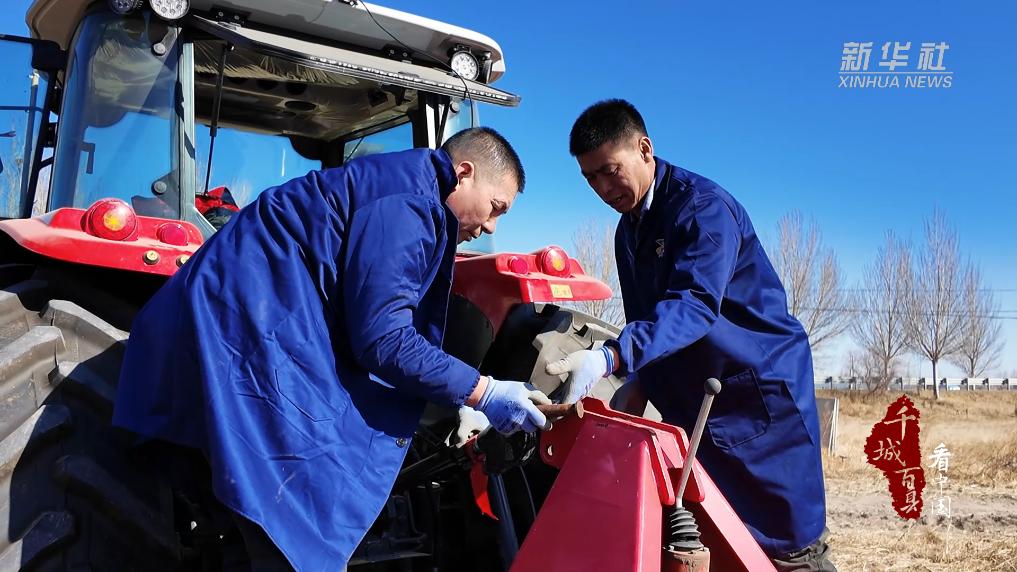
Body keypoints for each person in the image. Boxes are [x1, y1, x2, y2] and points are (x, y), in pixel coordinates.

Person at [113, 127, 550, 571]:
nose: (491, 226)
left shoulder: (403, 186)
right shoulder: (408, 202)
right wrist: (483, 391)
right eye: (496, 208)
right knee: (292, 523)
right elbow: (384, 338)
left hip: (246, 325)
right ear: (464, 173)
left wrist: (458, 393)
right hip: (240, 336)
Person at [547, 100, 835, 571]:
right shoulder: (628, 230)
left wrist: (611, 357)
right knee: (720, 537)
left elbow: (695, 304)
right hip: (696, 402)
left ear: (644, 149)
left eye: (610, 171)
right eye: (590, 178)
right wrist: (638, 380)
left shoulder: (702, 209)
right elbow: (647, 315)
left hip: (754, 394)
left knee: (788, 546)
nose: (603, 188)